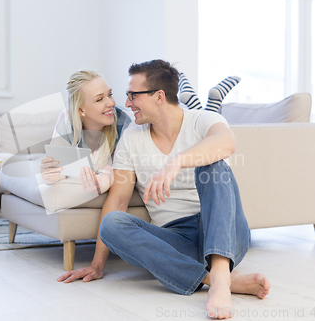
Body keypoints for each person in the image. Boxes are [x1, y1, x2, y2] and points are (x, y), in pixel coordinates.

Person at [57, 60, 270, 319]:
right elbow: (118, 201)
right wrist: (97, 264)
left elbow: (226, 142)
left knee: (213, 166)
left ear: (159, 96)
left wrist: (176, 161)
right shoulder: (132, 138)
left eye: (133, 95)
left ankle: (221, 281)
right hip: (177, 240)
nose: (126, 103)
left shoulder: (203, 120)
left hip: (224, 231)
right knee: (111, 223)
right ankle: (216, 279)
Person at [40, 70, 240, 195]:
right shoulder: (67, 120)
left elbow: (114, 173)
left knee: (199, 129)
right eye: (99, 99)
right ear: (80, 110)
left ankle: (208, 102)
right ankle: (197, 99)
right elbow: (56, 167)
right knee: (197, 121)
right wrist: (50, 174)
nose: (111, 103)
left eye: (110, 95)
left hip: (176, 132)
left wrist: (98, 182)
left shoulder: (124, 125)